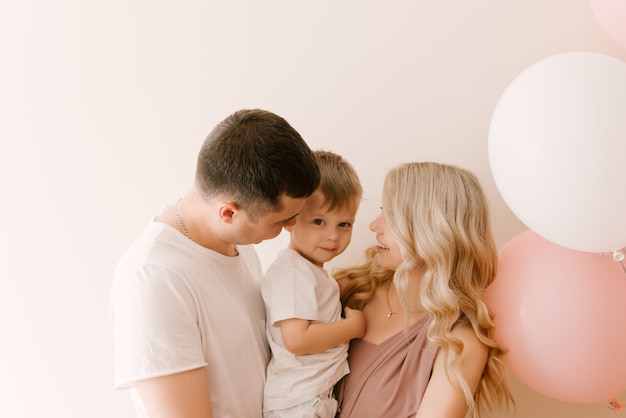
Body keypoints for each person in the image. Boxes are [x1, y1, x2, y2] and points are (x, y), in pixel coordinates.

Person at [110, 109, 321, 418]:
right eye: (282, 219)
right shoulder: (154, 278)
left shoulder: (236, 242)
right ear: (228, 213)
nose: (292, 227)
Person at [333, 162, 515, 418]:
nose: (374, 225)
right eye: (382, 210)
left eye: (393, 216)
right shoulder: (349, 290)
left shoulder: (458, 342)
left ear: (433, 230)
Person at [260, 150, 366, 418]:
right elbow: (297, 339)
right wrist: (353, 327)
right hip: (299, 402)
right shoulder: (294, 272)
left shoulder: (311, 272)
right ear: (290, 219)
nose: (332, 236)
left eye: (344, 224)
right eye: (319, 221)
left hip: (310, 397)